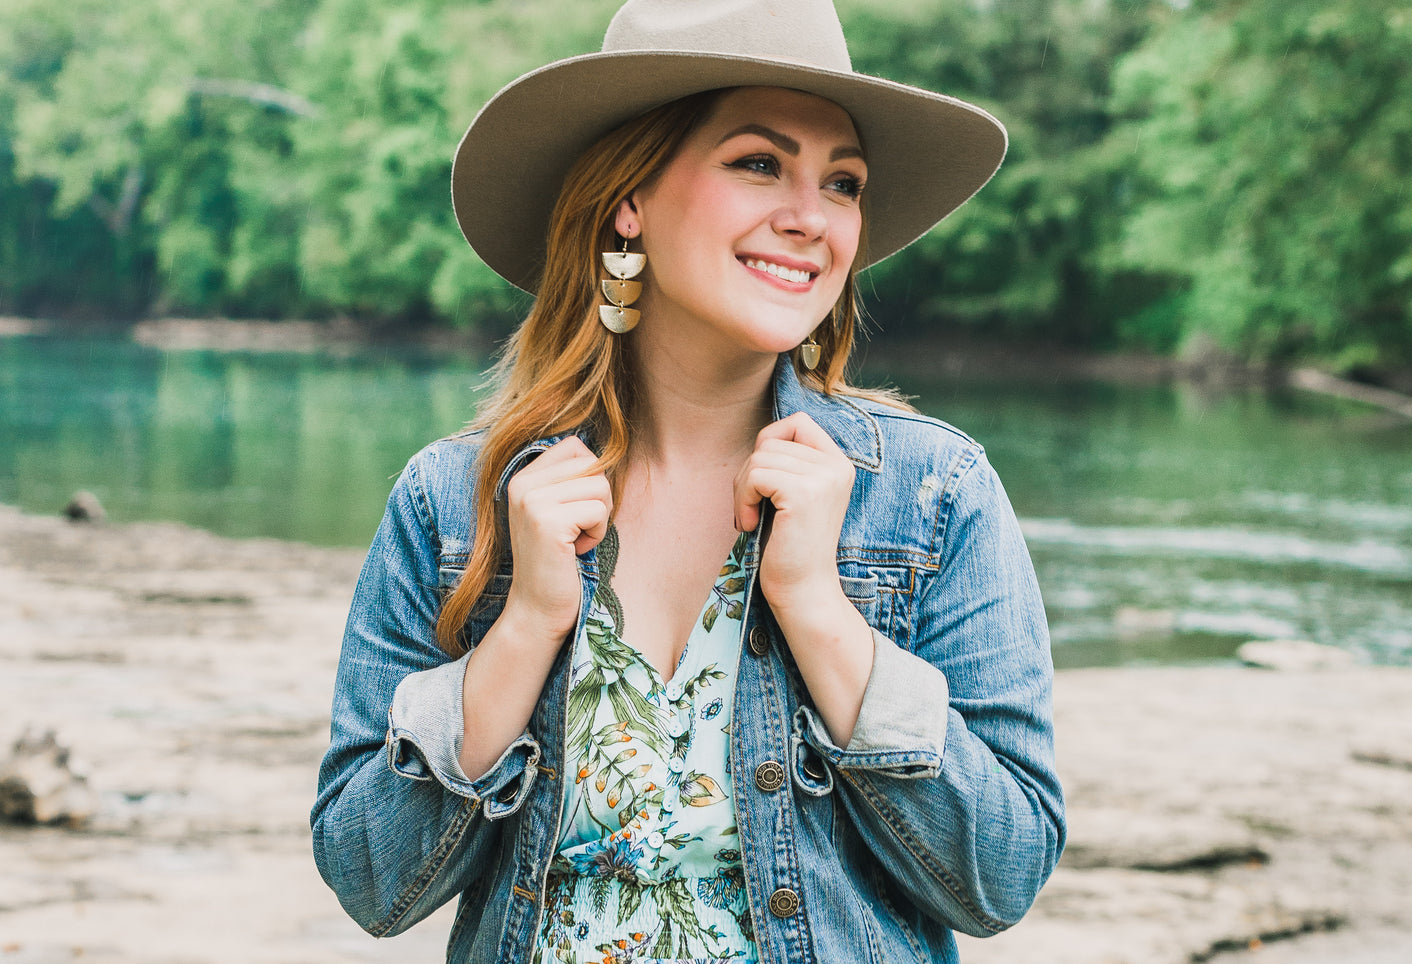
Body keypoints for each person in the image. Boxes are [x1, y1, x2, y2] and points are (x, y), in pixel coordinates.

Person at [311, 1, 1065, 962]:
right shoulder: (456, 501)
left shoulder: (931, 491)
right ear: (630, 198)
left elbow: (1000, 877)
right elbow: (369, 879)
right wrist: (527, 625)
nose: (809, 217)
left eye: (843, 182)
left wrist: (817, 608)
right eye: (759, 163)